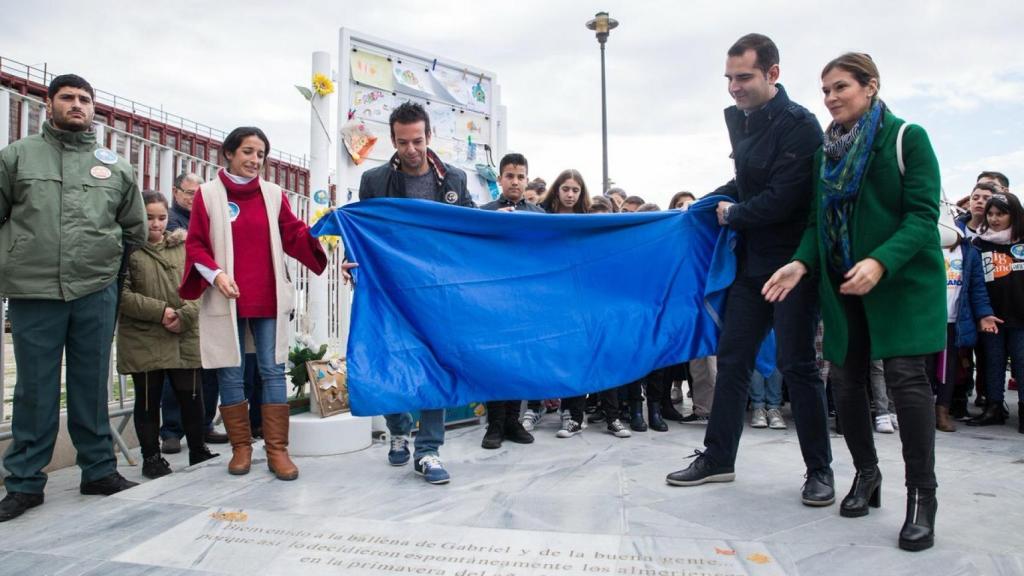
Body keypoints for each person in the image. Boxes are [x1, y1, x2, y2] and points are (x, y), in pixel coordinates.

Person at [763, 52, 945, 551]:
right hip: (844, 285)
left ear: (871, 86)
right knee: (844, 380)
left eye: (840, 86)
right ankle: (867, 475)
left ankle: (921, 497)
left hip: (900, 284)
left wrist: (881, 261)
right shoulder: (826, 153)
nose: (831, 97)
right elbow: (814, 223)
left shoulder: (907, 137)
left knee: (906, 381)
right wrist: (802, 262)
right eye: (825, 90)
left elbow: (922, 215)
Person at [666, 34, 834, 511]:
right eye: (729, 79)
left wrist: (731, 214)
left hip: (793, 268)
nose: (734, 88)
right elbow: (745, 182)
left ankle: (819, 471)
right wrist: (704, 203)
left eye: (744, 78)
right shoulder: (740, 120)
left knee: (799, 367)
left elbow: (787, 198)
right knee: (733, 360)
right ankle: (718, 458)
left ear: (772, 74)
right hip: (750, 267)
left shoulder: (801, 126)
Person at [0, 74, 145, 522]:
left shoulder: (116, 166)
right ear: (49, 103)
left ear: (94, 108)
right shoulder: (17, 156)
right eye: (68, 97)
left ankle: (99, 471)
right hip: (34, 289)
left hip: (95, 289)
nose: (77, 105)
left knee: (89, 385)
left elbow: (134, 229)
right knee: (35, 390)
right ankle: (24, 482)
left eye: (85, 99)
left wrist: (109, 274)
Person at [181, 126, 327, 482]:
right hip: (225, 293)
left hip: (267, 294)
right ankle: (241, 448)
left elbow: (292, 234)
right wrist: (215, 274)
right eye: (247, 151)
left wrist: (323, 234)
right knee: (230, 368)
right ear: (229, 153)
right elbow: (196, 244)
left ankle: (277, 449)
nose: (255, 160)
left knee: (272, 369)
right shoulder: (208, 194)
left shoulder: (274, 194)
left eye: (260, 154)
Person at [353, 102, 474, 484]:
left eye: (417, 141)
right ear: (392, 139)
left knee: (435, 363)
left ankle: (429, 450)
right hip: (390, 288)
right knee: (391, 360)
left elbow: (468, 226)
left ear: (429, 138)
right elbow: (362, 229)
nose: (411, 149)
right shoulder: (374, 181)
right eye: (403, 142)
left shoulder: (453, 180)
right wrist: (351, 260)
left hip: (437, 290)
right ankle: (399, 427)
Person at [118, 192, 218, 478]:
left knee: (192, 395)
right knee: (148, 400)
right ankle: (151, 457)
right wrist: (160, 312)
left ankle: (198, 449)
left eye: (161, 218)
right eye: (149, 218)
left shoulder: (183, 247)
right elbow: (121, 295)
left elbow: (199, 285)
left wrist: (185, 315)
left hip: (182, 334)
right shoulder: (127, 250)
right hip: (144, 336)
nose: (156, 224)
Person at [478, 153, 543, 449]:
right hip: (492, 301)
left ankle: (513, 421)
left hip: (526, 302)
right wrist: (492, 223)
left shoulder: (540, 216)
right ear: (500, 179)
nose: (515, 181)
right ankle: (495, 424)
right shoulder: (483, 213)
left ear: (527, 179)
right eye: (509, 176)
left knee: (520, 360)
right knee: (494, 361)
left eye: (520, 176)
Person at [161, 172, 229, 451]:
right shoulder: (168, 220)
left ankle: (204, 425)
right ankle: (172, 431)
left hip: (208, 300)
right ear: (175, 192)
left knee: (210, 368)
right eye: (188, 192)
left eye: (198, 193)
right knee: (177, 369)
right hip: (179, 301)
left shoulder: (209, 218)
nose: (193, 198)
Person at [934, 221, 998, 432]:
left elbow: (977, 288)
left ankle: (942, 411)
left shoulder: (969, 253)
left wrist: (984, 314)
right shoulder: (930, 247)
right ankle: (923, 412)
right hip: (928, 318)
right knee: (923, 367)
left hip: (955, 320)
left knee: (948, 368)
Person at [967, 193, 1024, 430]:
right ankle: (994, 408)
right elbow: (977, 284)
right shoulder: (979, 244)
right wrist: (983, 313)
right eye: (990, 214)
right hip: (992, 316)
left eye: (1001, 214)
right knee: (992, 362)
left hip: (1021, 318)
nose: (994, 219)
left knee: (1022, 363)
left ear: (1014, 215)